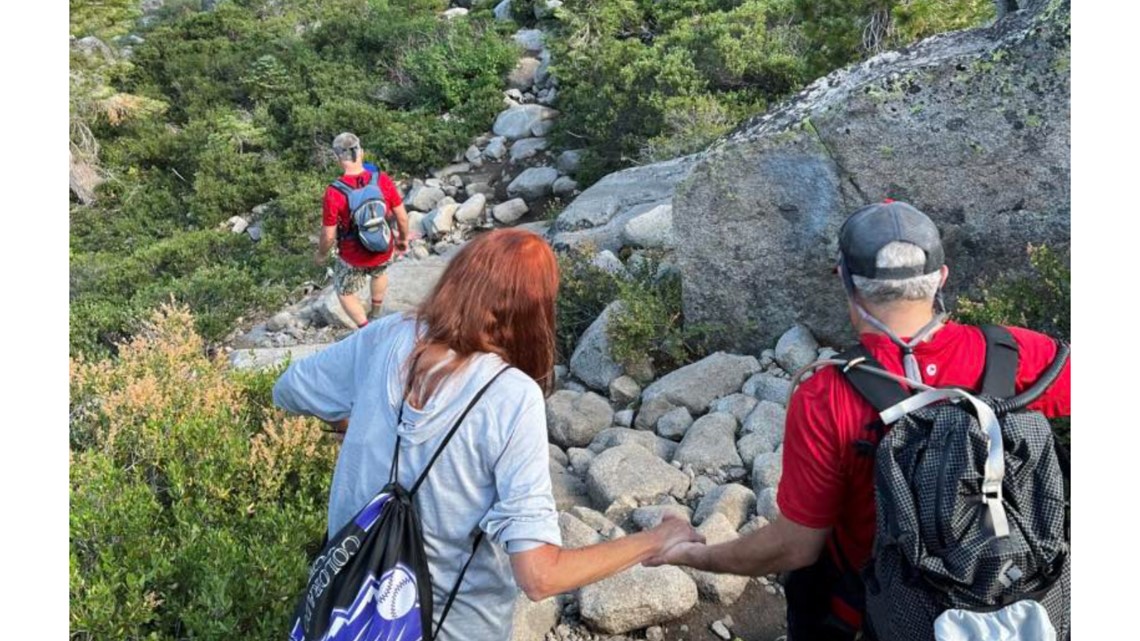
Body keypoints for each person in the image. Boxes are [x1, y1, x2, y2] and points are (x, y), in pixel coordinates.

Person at [647, 201, 1070, 640]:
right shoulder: (1017, 353)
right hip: (1023, 602)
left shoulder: (826, 394)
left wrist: (702, 557)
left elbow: (796, 546)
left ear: (846, 281)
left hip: (882, 617)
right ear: (942, 278)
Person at [273, 229, 703, 640]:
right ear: (534, 310)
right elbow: (539, 575)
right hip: (452, 627)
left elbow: (290, 389)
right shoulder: (511, 396)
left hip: (348, 612)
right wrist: (654, 541)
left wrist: (355, 420)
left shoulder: (387, 336)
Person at [317, 132, 411, 329]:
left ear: (337, 158)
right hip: (383, 245)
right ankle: (376, 313)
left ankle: (366, 327)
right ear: (361, 152)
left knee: (344, 290)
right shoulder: (381, 179)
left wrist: (321, 254)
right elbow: (402, 216)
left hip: (353, 255)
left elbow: (329, 235)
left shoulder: (334, 192)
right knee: (380, 272)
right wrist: (402, 239)